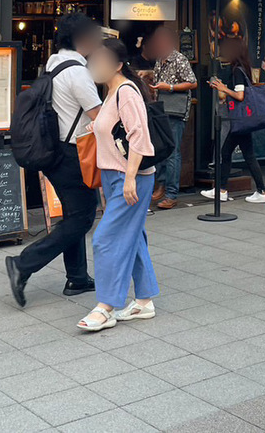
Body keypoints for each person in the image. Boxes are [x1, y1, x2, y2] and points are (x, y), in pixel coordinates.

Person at [6, 13, 103, 308]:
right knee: (83, 216)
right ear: (81, 39)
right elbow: (99, 117)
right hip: (72, 154)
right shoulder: (79, 74)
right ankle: (23, 264)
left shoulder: (54, 64)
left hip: (52, 150)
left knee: (74, 214)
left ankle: (77, 277)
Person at [76, 39, 159, 332]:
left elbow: (140, 138)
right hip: (115, 177)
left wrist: (129, 178)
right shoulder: (112, 93)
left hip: (131, 177)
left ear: (118, 65)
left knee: (105, 239)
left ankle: (106, 307)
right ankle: (144, 302)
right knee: (133, 237)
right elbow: (113, 130)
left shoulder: (126, 92)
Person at [202, 38, 265, 203]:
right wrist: (222, 87)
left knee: (230, 153)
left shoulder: (237, 71)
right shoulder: (243, 68)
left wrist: (223, 88)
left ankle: (258, 192)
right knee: (241, 154)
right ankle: (225, 190)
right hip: (243, 121)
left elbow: (240, 96)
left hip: (241, 120)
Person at [147, 26, 197, 209]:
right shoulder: (161, 59)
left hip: (175, 111)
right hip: (162, 110)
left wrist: (169, 88)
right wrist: (149, 75)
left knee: (172, 153)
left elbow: (193, 82)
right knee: (160, 149)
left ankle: (171, 194)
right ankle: (161, 185)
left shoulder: (179, 59)